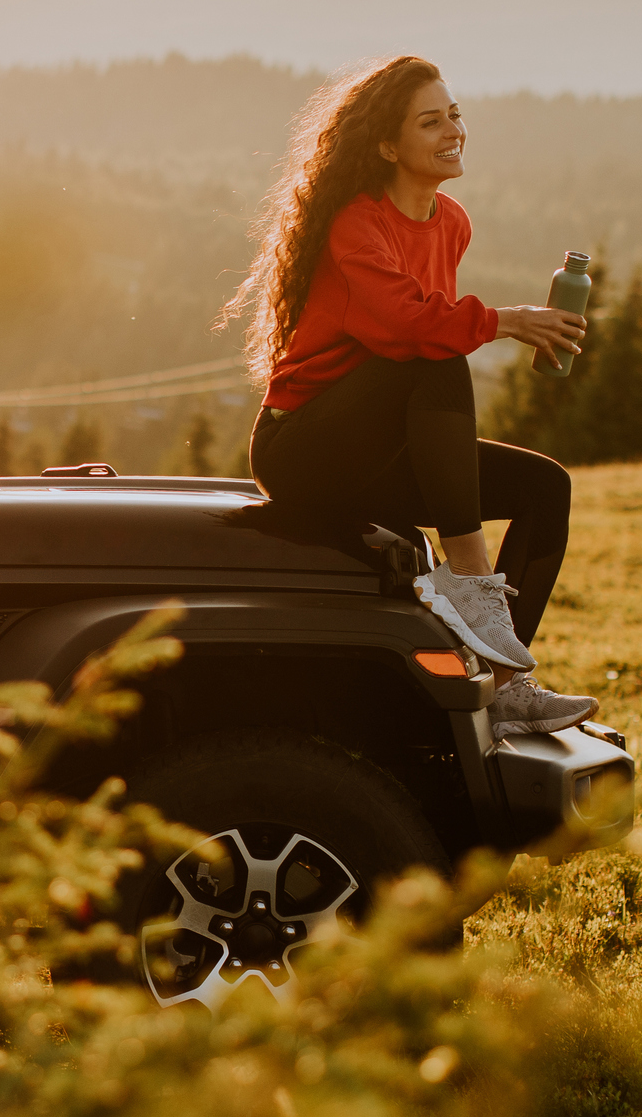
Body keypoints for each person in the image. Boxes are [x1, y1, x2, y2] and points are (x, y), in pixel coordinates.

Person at [221, 55, 596, 739]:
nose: (452, 129)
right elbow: (402, 328)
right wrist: (507, 321)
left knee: (544, 488)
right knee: (434, 350)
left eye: (454, 114)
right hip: (303, 446)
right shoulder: (354, 225)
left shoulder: (450, 222)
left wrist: (487, 326)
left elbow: (423, 333)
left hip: (379, 443)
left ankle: (507, 685)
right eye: (430, 121)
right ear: (387, 145)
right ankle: (471, 583)